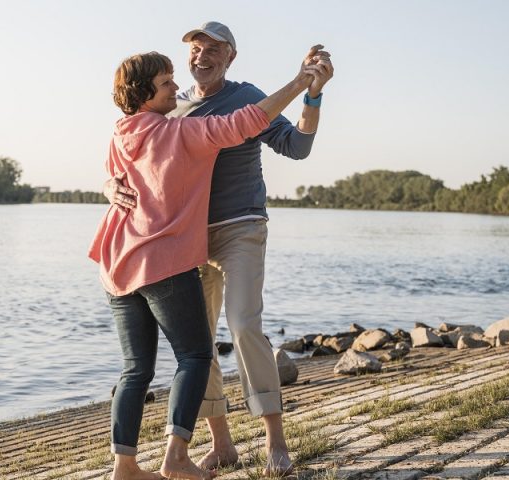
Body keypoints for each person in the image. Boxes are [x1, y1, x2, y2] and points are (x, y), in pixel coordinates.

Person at [104, 22, 334, 474]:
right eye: (194, 47)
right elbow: (129, 160)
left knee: (245, 323)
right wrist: (110, 185)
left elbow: (298, 146)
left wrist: (312, 93)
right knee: (199, 342)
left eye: (213, 48)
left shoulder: (249, 96)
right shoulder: (170, 105)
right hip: (184, 240)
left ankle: (275, 440)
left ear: (231, 57)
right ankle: (221, 444)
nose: (201, 55)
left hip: (241, 226)